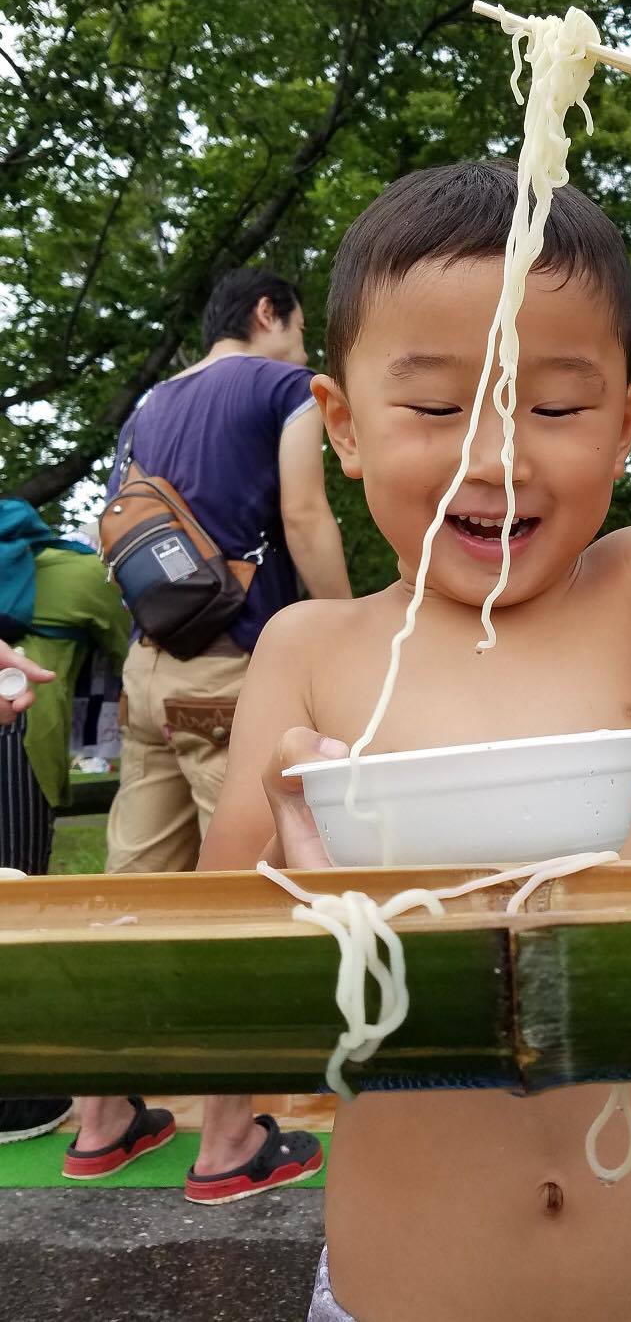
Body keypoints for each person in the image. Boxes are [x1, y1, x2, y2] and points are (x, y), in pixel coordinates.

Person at [199, 72, 631, 1322]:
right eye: (432, 404)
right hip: (403, 1290)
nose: (498, 450)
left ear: (626, 425)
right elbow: (218, 1008)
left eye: (557, 402)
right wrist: (300, 895)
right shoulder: (308, 649)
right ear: (342, 425)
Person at [68, 269, 351, 1202]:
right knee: (243, 902)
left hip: (149, 677)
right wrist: (344, 636)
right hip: (235, 674)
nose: (307, 348)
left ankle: (103, 1120)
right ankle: (230, 1143)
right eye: (302, 326)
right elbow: (306, 513)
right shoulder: (280, 390)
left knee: (129, 904)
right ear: (268, 313)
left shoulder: (151, 404)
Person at [0, 511, 128, 1146]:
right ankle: (18, 1099)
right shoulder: (84, 574)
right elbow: (135, 644)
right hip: (20, 744)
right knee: (15, 916)